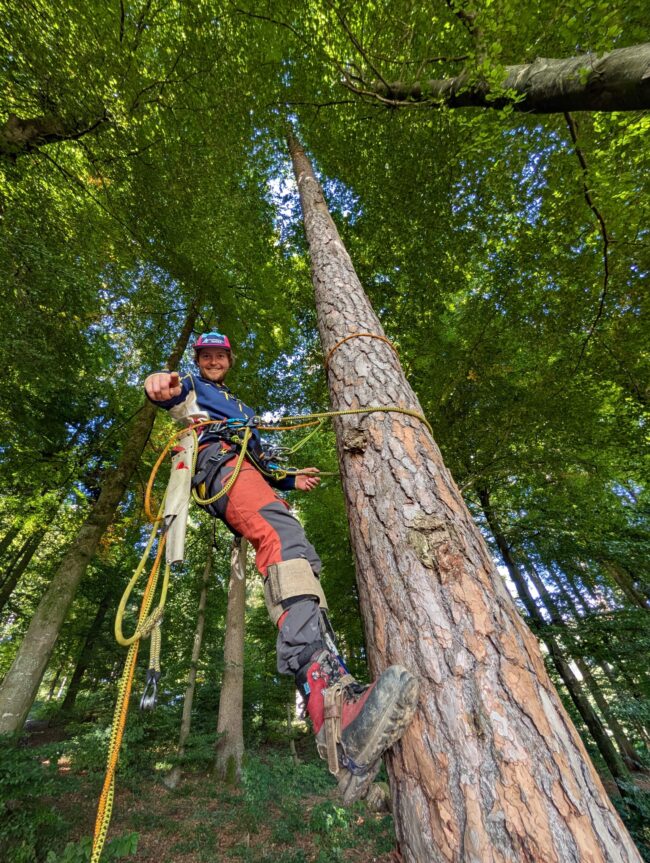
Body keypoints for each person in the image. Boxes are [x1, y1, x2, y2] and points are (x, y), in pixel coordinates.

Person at [145, 331, 419, 802]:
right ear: (198, 361)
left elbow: (265, 462)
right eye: (205, 356)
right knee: (282, 539)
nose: (212, 362)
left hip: (246, 469)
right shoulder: (193, 386)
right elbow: (171, 391)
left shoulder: (241, 409)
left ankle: (340, 715)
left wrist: (293, 478)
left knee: (299, 557)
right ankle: (329, 708)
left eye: (219, 356)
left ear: (228, 361)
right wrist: (161, 385)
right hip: (219, 465)